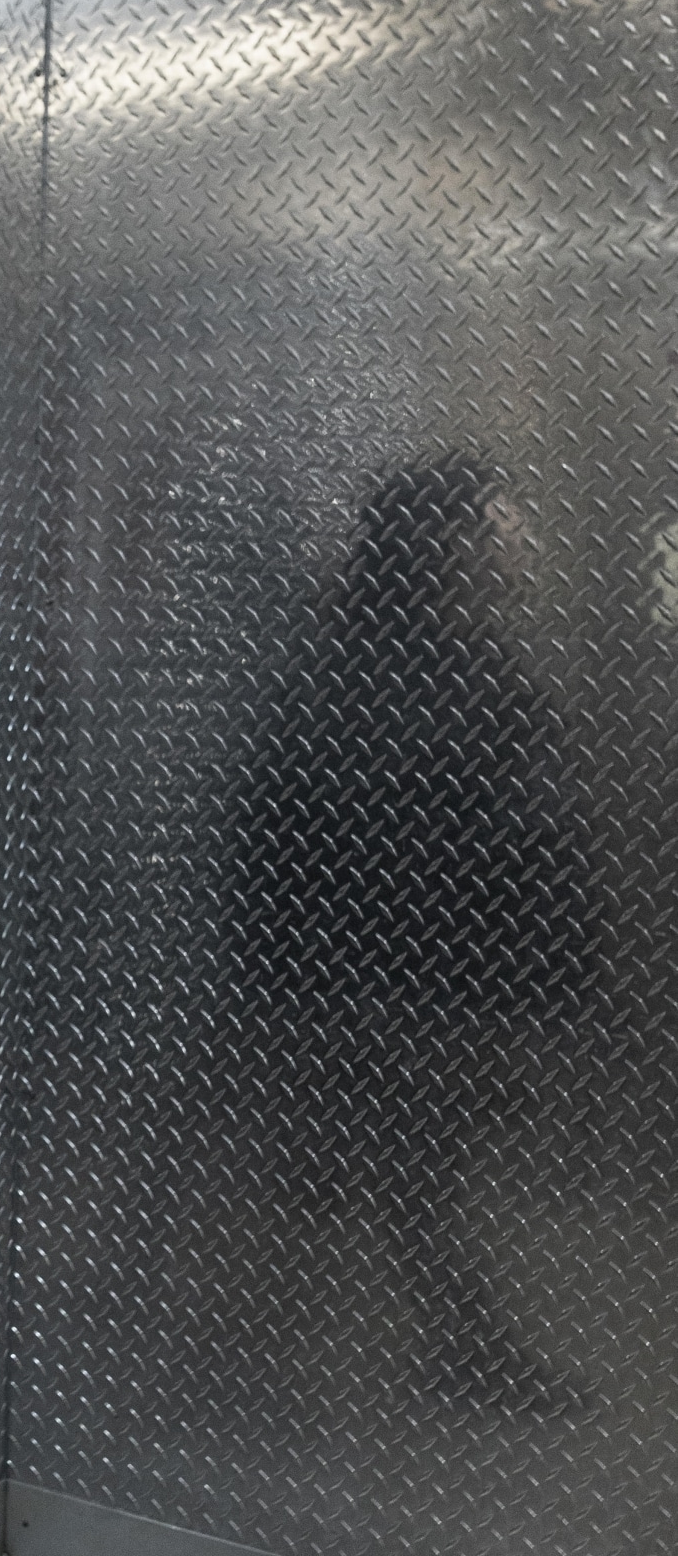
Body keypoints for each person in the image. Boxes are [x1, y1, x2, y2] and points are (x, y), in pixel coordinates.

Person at [221, 457, 596, 1411]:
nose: (522, 543)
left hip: (407, 990)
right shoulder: (408, 676)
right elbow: (304, 837)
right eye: (501, 523)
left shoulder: (432, 666)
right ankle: (258, 1366)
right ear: (443, 546)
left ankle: (271, 1361)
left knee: (385, 1179)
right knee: (358, 1180)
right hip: (389, 993)